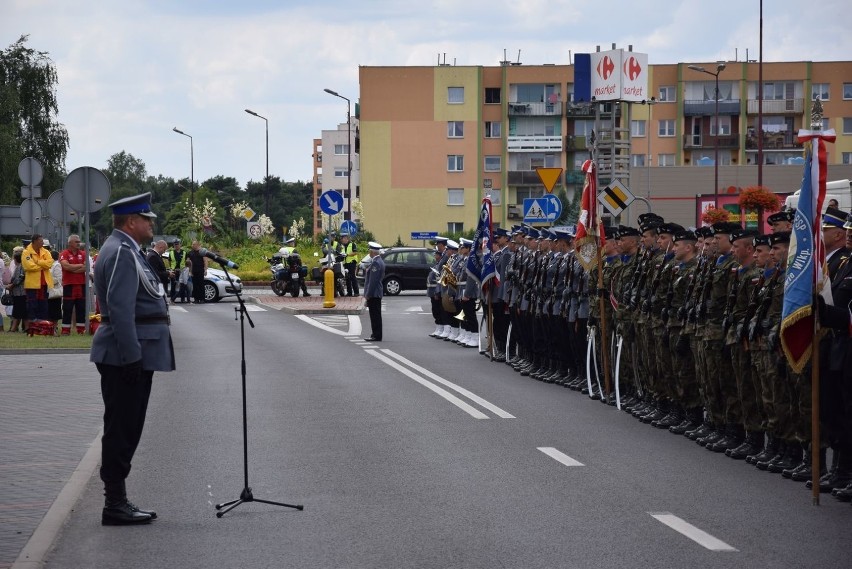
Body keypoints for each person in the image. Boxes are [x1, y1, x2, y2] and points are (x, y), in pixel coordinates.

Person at [90, 192, 174, 525]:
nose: (152, 224)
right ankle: (114, 503)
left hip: (128, 349)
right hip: (126, 351)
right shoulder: (123, 253)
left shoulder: (124, 249)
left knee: (124, 425)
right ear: (131, 222)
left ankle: (117, 499)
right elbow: (122, 310)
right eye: (147, 219)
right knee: (123, 428)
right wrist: (130, 357)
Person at [60, 234, 88, 335]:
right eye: (76, 242)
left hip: (81, 284)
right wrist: (80, 266)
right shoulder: (64, 253)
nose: (78, 243)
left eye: (79, 241)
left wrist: (73, 268)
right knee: (67, 308)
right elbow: (66, 266)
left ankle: (81, 330)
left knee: (81, 308)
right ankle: (65, 330)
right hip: (69, 285)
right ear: (70, 243)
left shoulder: (84, 253)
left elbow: (87, 267)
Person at [22, 234, 54, 322]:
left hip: (44, 283)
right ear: (35, 241)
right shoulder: (26, 252)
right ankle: (33, 323)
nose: (42, 242)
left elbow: (50, 263)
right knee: (32, 304)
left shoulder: (46, 252)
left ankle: (43, 323)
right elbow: (29, 266)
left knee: (43, 304)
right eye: (41, 241)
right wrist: (43, 266)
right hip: (32, 284)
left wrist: (37, 262)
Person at [363, 241, 384, 341]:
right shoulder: (379, 261)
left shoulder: (375, 263)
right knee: (376, 314)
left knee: (375, 315)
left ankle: (376, 335)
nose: (369, 253)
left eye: (369, 251)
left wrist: (368, 294)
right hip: (376, 293)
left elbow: (373, 281)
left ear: (373, 252)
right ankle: (376, 334)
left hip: (374, 293)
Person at [6, 249, 27, 332]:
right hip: (20, 292)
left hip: (20, 292)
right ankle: (23, 328)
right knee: (20, 311)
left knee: (18, 312)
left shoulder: (21, 267)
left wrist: (11, 285)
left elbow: (20, 278)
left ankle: (14, 328)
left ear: (15, 259)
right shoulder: (21, 266)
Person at [47, 249, 63, 328]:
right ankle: (49, 325)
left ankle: (55, 326)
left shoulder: (57, 265)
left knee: (55, 309)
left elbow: (58, 279)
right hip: (48, 290)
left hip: (54, 291)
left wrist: (47, 280)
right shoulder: (49, 265)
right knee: (49, 309)